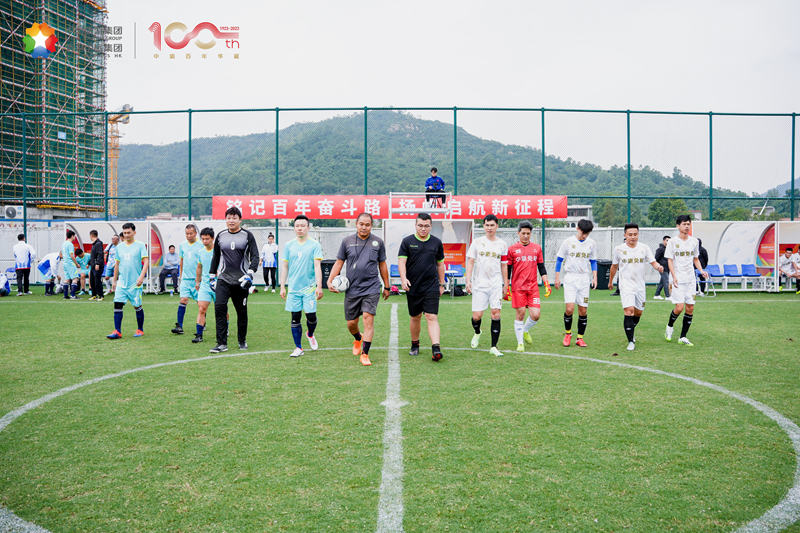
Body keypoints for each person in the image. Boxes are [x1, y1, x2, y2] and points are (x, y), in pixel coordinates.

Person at [327, 212, 390, 366]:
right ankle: (357, 338)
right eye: (361, 224)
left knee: (368, 318)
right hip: (352, 289)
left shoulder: (378, 242)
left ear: (371, 226)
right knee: (351, 323)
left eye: (367, 225)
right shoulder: (347, 241)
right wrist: (329, 280)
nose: (364, 227)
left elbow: (382, 264)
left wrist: (387, 286)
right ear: (356, 224)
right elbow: (339, 262)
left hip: (371, 288)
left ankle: (365, 354)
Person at [208, 206, 259, 353]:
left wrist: (250, 273)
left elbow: (255, 256)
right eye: (229, 218)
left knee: (241, 312)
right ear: (226, 219)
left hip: (241, 281)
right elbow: (216, 256)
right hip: (223, 279)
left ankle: (242, 340)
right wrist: (212, 276)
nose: (231, 221)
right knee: (219, 308)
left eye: (234, 218)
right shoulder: (221, 236)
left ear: (240, 220)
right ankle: (221, 343)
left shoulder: (247, 236)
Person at [608, 223, 664, 351]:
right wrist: (611, 281)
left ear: (638, 234)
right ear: (625, 235)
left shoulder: (644, 248)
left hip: (640, 285)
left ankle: (631, 329)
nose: (633, 237)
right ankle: (631, 341)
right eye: (630, 234)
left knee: (638, 312)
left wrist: (659, 267)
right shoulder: (619, 249)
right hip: (626, 285)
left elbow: (653, 262)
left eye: (635, 234)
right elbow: (614, 267)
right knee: (629, 310)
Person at [398, 212, 446, 361]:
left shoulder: (436, 243)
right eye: (420, 225)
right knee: (415, 317)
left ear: (431, 226)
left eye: (426, 226)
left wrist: (442, 284)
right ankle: (415, 344)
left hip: (431, 286)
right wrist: (404, 279)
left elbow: (440, 264)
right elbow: (402, 262)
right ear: (415, 225)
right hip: (413, 286)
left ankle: (436, 348)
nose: (423, 229)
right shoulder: (407, 241)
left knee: (431, 316)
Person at [465, 214, 509, 357]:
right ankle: (477, 332)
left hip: (495, 284)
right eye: (487, 225)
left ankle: (493, 347)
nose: (489, 228)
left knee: (495, 313)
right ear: (483, 226)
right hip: (480, 284)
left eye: (492, 225)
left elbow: (504, 265)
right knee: (477, 316)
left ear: (497, 226)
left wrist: (506, 283)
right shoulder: (477, 242)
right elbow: (471, 261)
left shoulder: (502, 244)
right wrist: (468, 280)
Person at [280, 215, 324, 358]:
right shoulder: (289, 245)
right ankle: (298, 347)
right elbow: (285, 266)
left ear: (308, 227)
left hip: (309, 288)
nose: (300, 228)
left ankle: (310, 334)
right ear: (294, 228)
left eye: (302, 226)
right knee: (295, 317)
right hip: (293, 289)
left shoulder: (315, 245)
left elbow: (317, 266)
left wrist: (319, 286)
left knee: (311, 317)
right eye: (297, 226)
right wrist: (282, 286)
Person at [664, 215, 708, 346]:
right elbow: (670, 260)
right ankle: (669, 327)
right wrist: (674, 276)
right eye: (684, 224)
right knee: (679, 307)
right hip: (677, 279)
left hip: (690, 279)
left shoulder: (694, 241)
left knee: (690, 307)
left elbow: (696, 259)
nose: (687, 226)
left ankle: (683, 337)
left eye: (688, 224)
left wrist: (701, 270)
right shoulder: (672, 242)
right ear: (678, 226)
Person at [554, 219, 596, 348]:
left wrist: (594, 277)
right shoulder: (568, 242)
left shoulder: (591, 243)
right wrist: (557, 278)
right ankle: (568, 334)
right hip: (570, 278)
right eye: (583, 233)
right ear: (578, 229)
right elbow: (559, 260)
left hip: (584, 279)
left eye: (587, 234)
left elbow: (593, 261)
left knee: (583, 310)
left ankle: (580, 338)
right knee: (569, 309)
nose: (584, 236)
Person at [107, 222, 149, 339]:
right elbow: (117, 264)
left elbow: (146, 261)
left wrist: (141, 277)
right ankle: (117, 331)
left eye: (128, 232)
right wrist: (114, 281)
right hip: (122, 282)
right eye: (124, 233)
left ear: (134, 232)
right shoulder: (119, 247)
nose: (126, 235)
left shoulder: (140, 245)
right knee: (117, 304)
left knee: (137, 306)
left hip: (135, 283)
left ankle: (140, 329)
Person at [171, 224, 203, 335]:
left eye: (191, 233)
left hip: (197, 280)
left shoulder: (201, 245)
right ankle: (179, 326)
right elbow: (181, 261)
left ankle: (202, 323)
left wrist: (200, 278)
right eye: (187, 234)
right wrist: (180, 275)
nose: (188, 236)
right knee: (183, 300)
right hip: (185, 279)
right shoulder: (182, 245)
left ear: (195, 233)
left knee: (201, 304)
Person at [192, 227, 218, 343]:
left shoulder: (219, 251)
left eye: (207, 239)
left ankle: (225, 328)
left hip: (219, 285)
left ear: (212, 238)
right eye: (203, 239)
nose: (205, 241)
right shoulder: (201, 252)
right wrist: (197, 281)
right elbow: (199, 267)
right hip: (205, 285)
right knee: (202, 308)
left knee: (221, 310)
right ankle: (199, 335)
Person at [60, 231, 80, 300]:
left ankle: (65, 295)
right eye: (74, 236)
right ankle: (73, 295)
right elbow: (72, 255)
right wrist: (76, 264)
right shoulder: (70, 244)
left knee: (67, 279)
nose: (74, 238)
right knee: (75, 278)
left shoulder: (64, 244)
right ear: (72, 236)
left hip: (65, 263)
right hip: (70, 263)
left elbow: (61, 254)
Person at [88, 230, 105, 301]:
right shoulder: (94, 244)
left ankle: (101, 295)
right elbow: (93, 255)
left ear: (91, 235)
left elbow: (100, 254)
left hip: (97, 266)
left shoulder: (98, 243)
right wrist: (89, 263)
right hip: (93, 265)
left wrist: (97, 263)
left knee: (97, 281)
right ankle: (94, 295)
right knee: (92, 280)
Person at [653, 236, 671, 300]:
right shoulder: (660, 249)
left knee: (662, 282)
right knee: (666, 281)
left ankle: (657, 295)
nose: (668, 242)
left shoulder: (668, 249)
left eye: (669, 241)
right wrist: (660, 266)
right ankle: (668, 296)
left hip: (667, 268)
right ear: (663, 241)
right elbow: (655, 259)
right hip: (662, 268)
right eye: (667, 240)